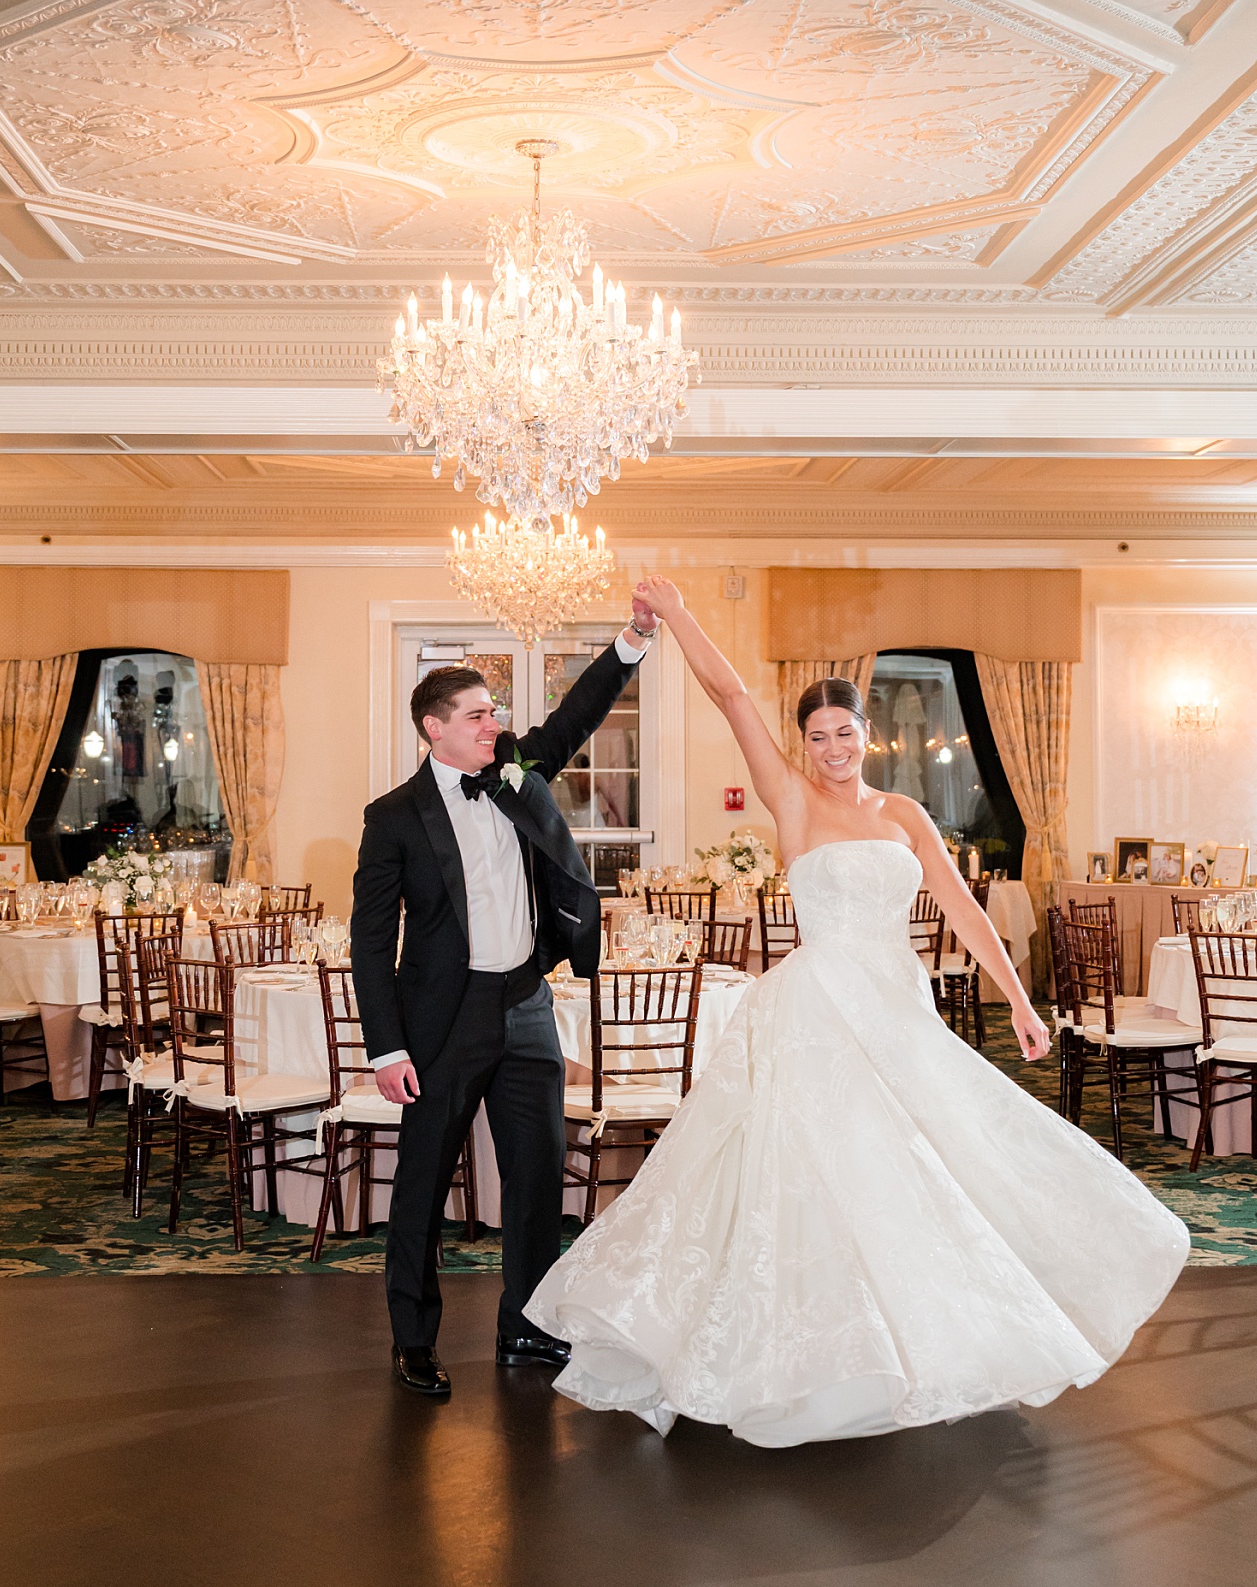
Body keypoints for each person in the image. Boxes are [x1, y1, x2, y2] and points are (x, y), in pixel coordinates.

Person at [526, 576, 1189, 1448]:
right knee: (821, 1177)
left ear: (868, 735)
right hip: (818, 1011)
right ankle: (805, 1360)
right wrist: (677, 616)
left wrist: (1021, 1002)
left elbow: (963, 909)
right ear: (802, 743)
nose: (832, 748)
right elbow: (729, 695)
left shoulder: (905, 813)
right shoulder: (792, 801)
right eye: (816, 736)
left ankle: (917, 1345)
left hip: (898, 1008)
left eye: (845, 733)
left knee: (931, 1167)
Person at [350, 593, 659, 1400]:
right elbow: (370, 942)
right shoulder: (392, 820)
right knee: (421, 1184)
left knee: (537, 1173)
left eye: (494, 714)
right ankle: (412, 1340)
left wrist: (631, 640)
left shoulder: (519, 772)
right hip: (441, 1023)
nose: (495, 725)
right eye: (479, 715)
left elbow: (578, 715)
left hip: (526, 1007)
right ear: (435, 727)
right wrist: (386, 1047)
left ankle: (526, 1324)